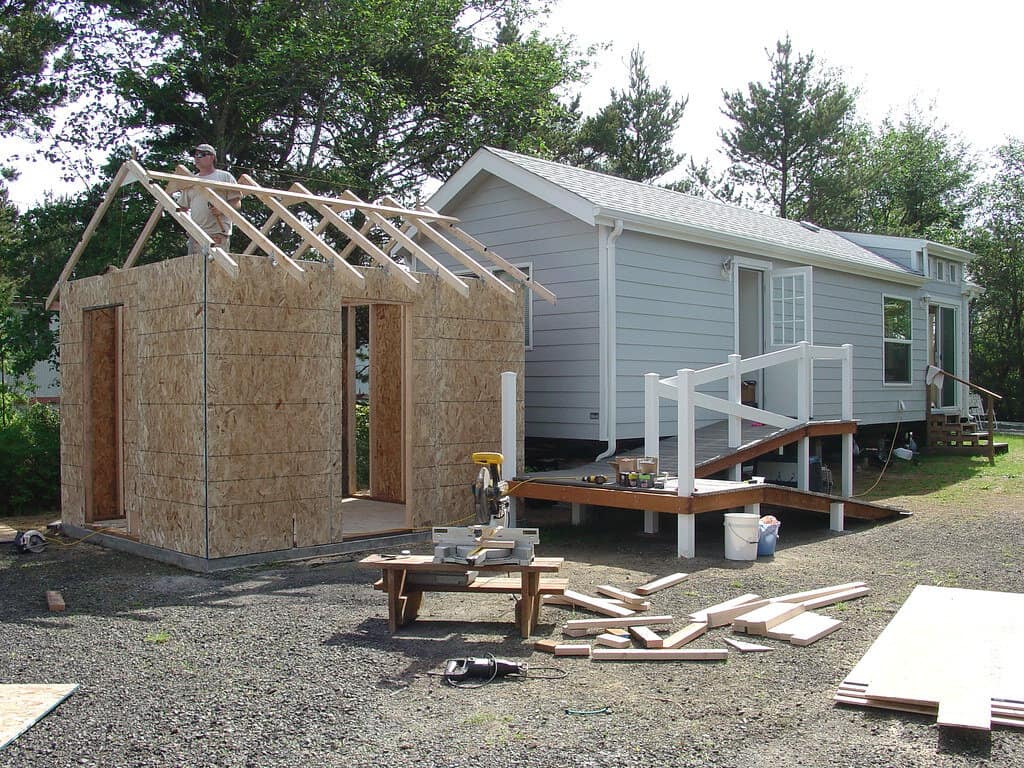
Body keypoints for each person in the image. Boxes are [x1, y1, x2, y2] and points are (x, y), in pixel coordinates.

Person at [177, 143, 242, 254]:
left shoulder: (224, 177)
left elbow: (236, 203)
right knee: (195, 269)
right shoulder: (191, 181)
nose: (197, 158)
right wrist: (189, 226)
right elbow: (182, 208)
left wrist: (222, 210)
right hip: (196, 234)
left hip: (217, 233)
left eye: (201, 155)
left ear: (211, 157)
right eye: (195, 155)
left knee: (216, 269)